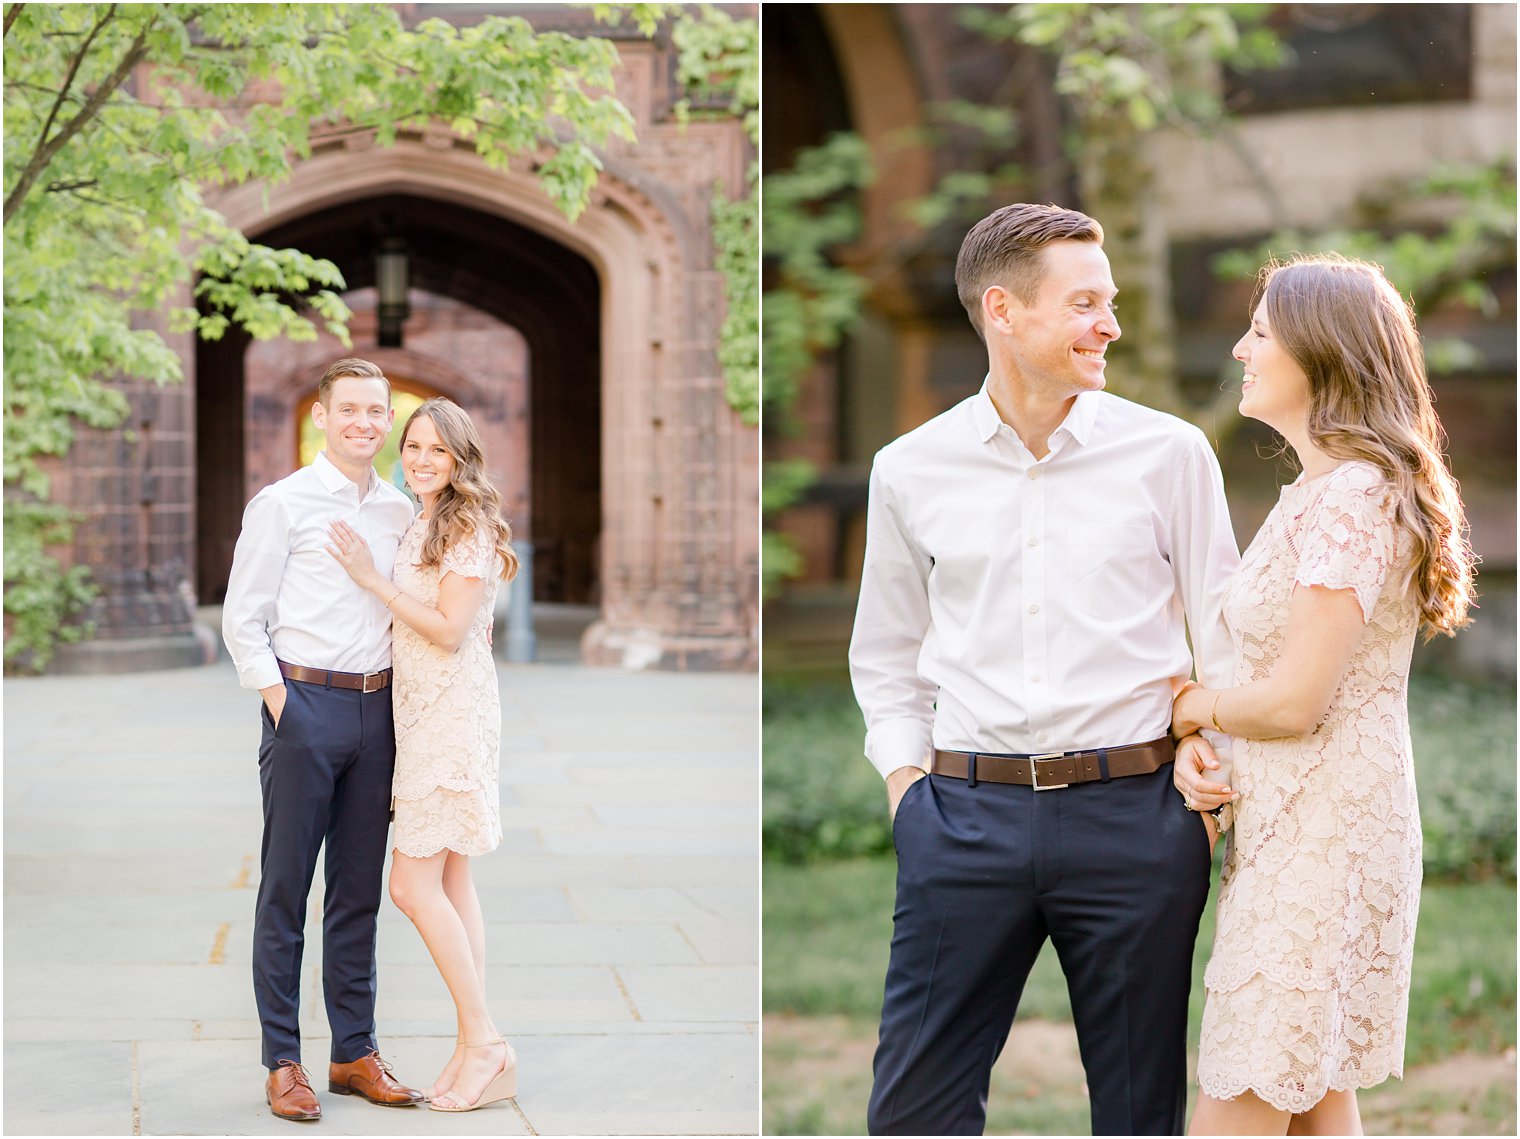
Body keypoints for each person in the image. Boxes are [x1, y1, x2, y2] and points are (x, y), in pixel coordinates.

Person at [849, 202, 1240, 1136]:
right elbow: (886, 651)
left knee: (1140, 1106)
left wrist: (1207, 748)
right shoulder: (910, 468)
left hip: (1135, 818)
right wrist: (910, 791)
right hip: (963, 818)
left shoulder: (1169, 454)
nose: (1109, 323)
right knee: (913, 1109)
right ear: (1004, 311)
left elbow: (1225, 635)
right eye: (1084, 303)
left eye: (1108, 301)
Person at [1170, 254, 1475, 1136]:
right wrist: (1214, 747)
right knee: (1309, 1094)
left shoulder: (1349, 499)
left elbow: (1297, 700)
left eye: (1260, 332)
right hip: (1301, 823)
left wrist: (1191, 707)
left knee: (1246, 1095)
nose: (1239, 348)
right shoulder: (1324, 491)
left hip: (1325, 837)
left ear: (1321, 352)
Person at [223, 357, 423, 1121]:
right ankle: (283, 1060)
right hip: (303, 704)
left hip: (379, 714)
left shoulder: (399, 512)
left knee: (357, 894)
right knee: (285, 888)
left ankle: (353, 1051)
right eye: (350, 410)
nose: (365, 423)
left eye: (377, 411)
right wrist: (281, 703)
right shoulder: (284, 504)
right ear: (321, 414)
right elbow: (244, 616)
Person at [325, 396, 520, 1114]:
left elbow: (446, 628)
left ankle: (486, 1040)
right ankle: (477, 1046)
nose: (421, 460)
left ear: (460, 457)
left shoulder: (465, 526)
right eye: (413, 447)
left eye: (437, 450)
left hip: (447, 717)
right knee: (454, 881)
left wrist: (369, 579)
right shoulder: (428, 519)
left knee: (411, 886)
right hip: (424, 712)